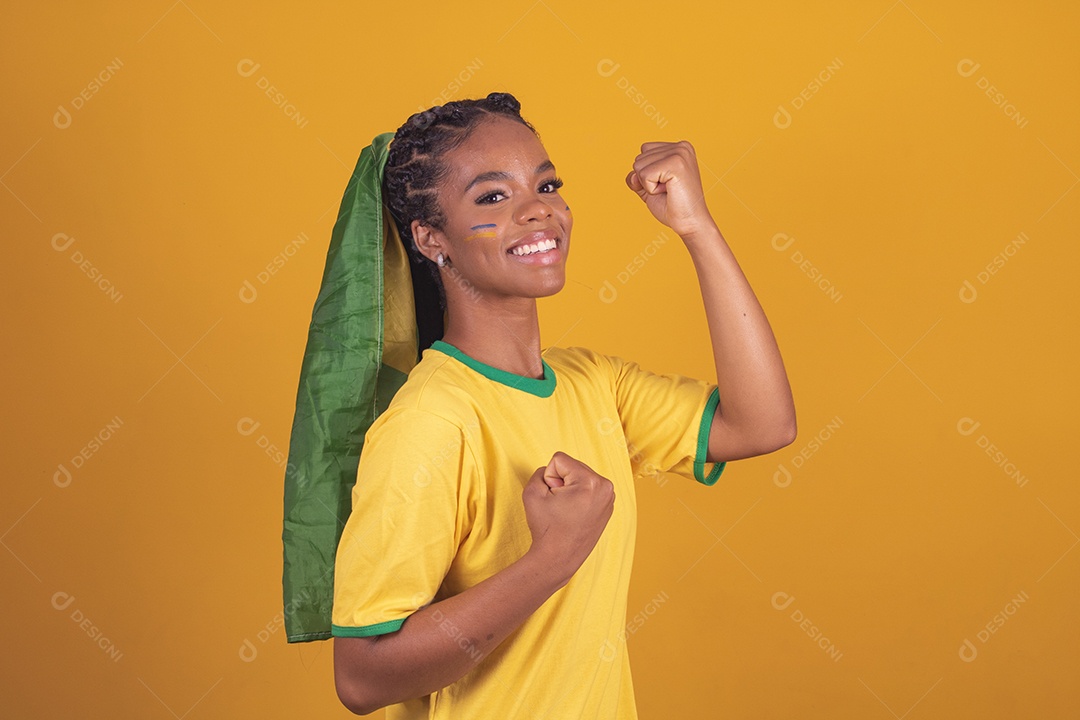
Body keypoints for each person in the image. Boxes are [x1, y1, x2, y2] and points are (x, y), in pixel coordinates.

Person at [330, 92, 796, 718]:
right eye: (493, 197)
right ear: (431, 238)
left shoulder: (592, 383)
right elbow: (362, 677)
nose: (537, 210)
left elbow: (762, 423)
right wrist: (552, 558)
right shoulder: (431, 421)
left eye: (546, 184)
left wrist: (696, 227)